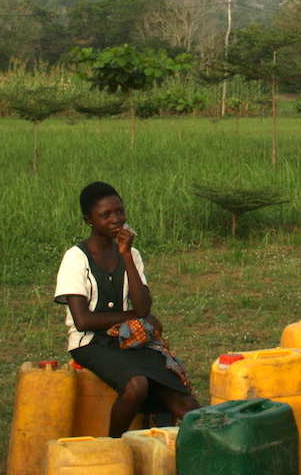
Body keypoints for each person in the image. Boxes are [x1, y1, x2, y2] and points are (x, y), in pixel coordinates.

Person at [54, 181, 199, 436]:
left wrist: (126, 256)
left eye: (120, 212)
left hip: (129, 339)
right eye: (106, 215)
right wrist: (132, 316)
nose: (116, 219)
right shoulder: (76, 258)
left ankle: (188, 451)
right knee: (137, 385)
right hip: (91, 343)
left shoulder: (131, 254)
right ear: (89, 220)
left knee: (185, 401)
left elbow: (143, 307)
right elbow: (83, 321)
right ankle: (113, 446)